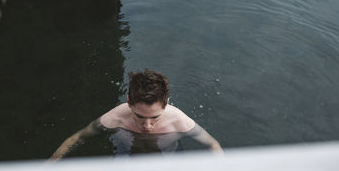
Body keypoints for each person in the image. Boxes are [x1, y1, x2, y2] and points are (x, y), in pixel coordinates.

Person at [50, 70, 223, 160]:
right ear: (128, 102)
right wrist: (49, 166)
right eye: (139, 116)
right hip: (126, 156)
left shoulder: (180, 122)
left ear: (166, 103)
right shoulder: (114, 118)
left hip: (169, 159)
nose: (147, 126)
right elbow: (77, 137)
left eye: (155, 117)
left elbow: (213, 144)